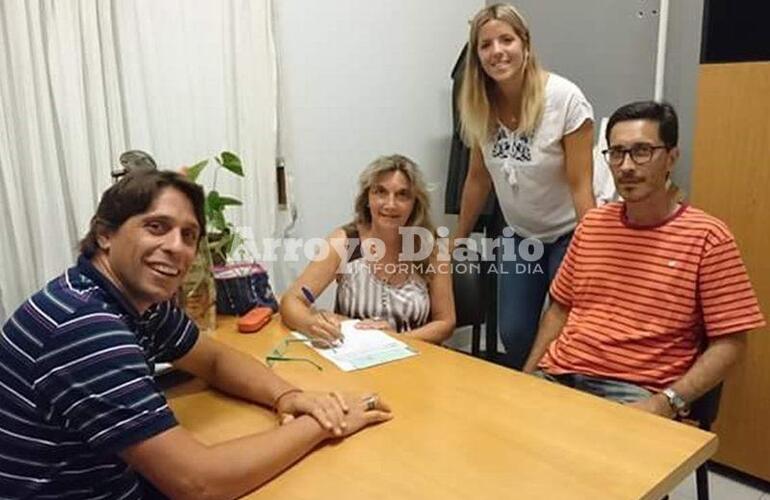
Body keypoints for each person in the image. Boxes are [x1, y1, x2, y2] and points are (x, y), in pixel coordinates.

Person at [0, 169, 392, 498]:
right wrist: (325, 421)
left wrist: (289, 396)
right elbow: (197, 483)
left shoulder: (129, 299)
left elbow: (215, 359)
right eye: (156, 227)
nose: (177, 247)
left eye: (189, 235)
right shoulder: (86, 328)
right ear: (105, 234)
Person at [522, 101, 766, 418]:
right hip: (560, 373)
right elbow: (560, 308)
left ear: (671, 158)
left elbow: (731, 342)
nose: (626, 166)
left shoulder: (708, 238)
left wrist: (667, 402)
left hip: (636, 391)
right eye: (617, 153)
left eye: (641, 151)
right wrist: (527, 377)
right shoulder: (593, 226)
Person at [455, 3, 595, 369]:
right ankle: (528, 395)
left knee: (566, 330)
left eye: (506, 39)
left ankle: (557, 399)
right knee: (515, 332)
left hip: (570, 234)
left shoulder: (565, 100)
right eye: (486, 44)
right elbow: (478, 177)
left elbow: (582, 186)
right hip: (521, 235)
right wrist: (458, 237)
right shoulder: (477, 103)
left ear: (525, 44)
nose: (497, 51)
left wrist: (594, 249)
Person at [281, 154, 455, 345]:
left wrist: (395, 340)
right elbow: (292, 301)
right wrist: (311, 323)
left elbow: (445, 323)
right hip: (353, 359)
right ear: (367, 198)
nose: (390, 204)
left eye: (402, 195)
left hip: (415, 359)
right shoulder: (345, 242)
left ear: (415, 204)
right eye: (380, 192)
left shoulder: (432, 248)